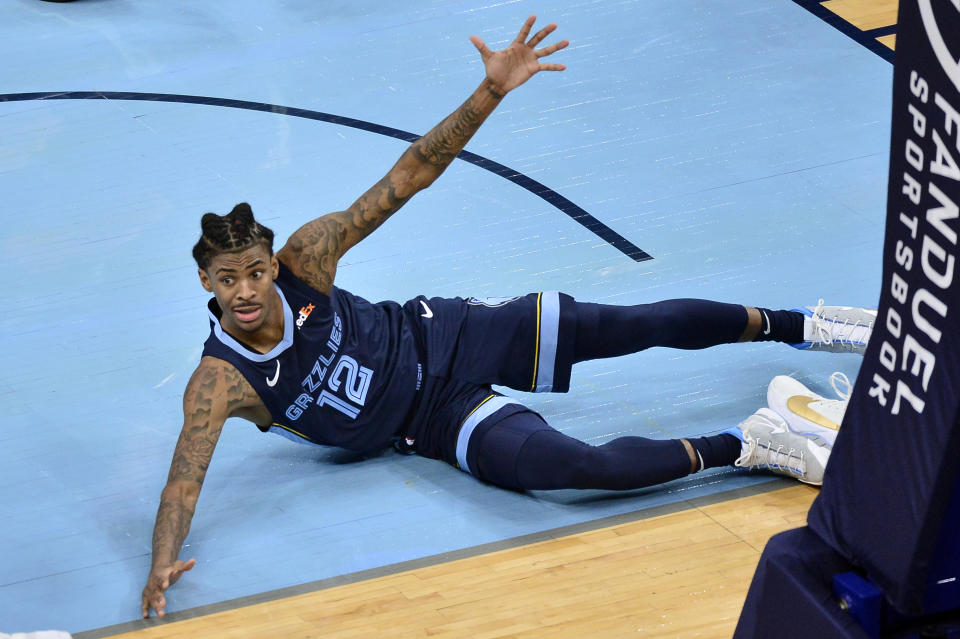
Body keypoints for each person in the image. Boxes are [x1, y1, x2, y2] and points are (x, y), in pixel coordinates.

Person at [141, 16, 875, 618]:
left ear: (273, 266)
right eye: (226, 279)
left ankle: (808, 325)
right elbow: (184, 478)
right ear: (205, 281)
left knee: (631, 323)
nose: (244, 291)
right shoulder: (219, 382)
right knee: (573, 469)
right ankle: (752, 443)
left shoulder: (309, 258)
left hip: (446, 332)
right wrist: (161, 561)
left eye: (254, 273)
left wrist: (488, 92)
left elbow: (409, 173)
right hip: (427, 422)